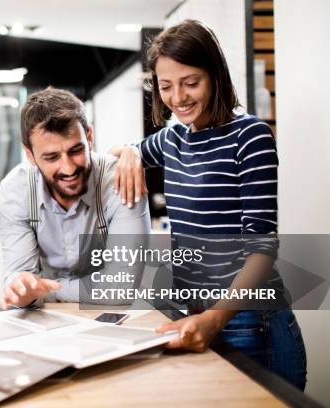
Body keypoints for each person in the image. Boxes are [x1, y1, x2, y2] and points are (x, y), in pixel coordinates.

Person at [112, 20, 306, 389]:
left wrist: (216, 318)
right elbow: (117, 153)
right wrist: (128, 153)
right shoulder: (172, 139)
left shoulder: (250, 136)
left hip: (251, 320)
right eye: (166, 86)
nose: (178, 98)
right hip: (199, 313)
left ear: (214, 76)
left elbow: (262, 249)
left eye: (190, 82)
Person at [0, 87, 150, 309]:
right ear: (30, 155)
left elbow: (122, 287)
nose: (68, 168)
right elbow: (20, 282)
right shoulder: (16, 191)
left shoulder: (121, 179)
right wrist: (20, 288)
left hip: (112, 312)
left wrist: (45, 289)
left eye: (76, 150)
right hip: (46, 316)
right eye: (51, 157)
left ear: (89, 137)